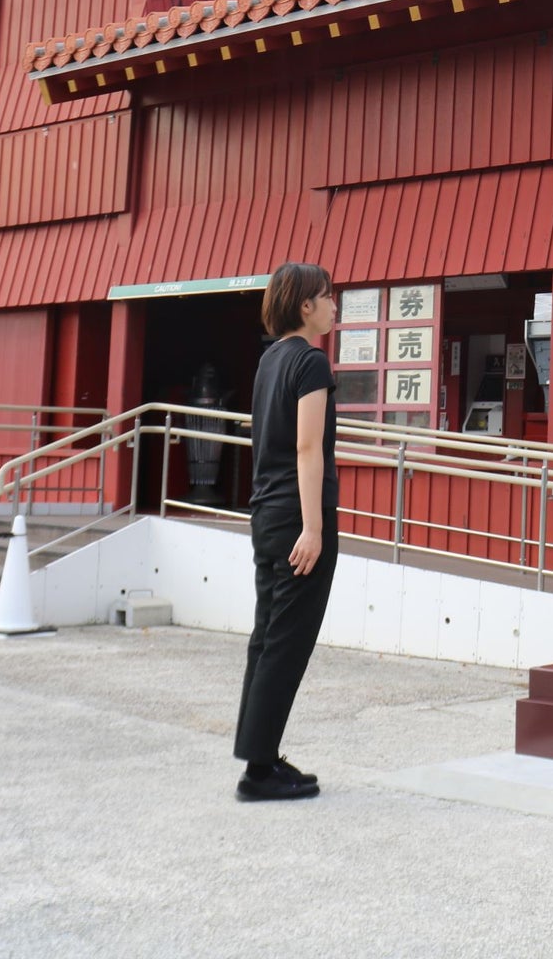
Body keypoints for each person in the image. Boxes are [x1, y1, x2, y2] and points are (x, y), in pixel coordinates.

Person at [234, 262, 339, 801]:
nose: (334, 305)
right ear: (305, 306)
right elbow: (307, 447)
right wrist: (314, 527)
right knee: (287, 643)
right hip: (299, 519)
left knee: (266, 637)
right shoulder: (311, 362)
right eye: (327, 296)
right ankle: (259, 771)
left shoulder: (269, 360)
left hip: (266, 514)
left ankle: (260, 757)